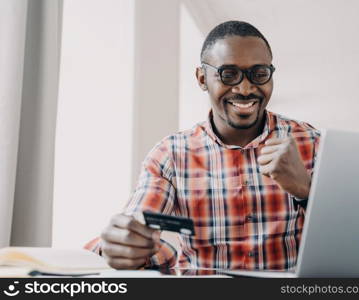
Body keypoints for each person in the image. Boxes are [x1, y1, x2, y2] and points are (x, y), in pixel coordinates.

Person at [85, 20, 320, 270]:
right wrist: (122, 245)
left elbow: (352, 238)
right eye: (228, 74)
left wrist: (306, 192)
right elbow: (135, 231)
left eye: (259, 73)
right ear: (202, 78)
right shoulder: (171, 155)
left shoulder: (312, 143)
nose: (245, 88)